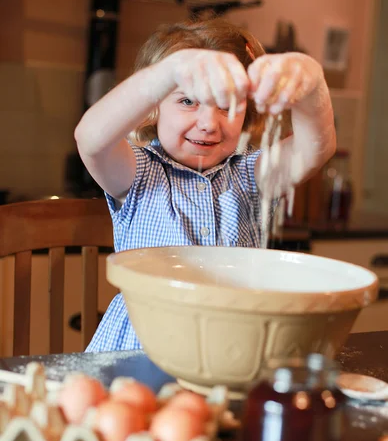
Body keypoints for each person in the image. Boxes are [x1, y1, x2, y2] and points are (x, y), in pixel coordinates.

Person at [74, 18, 336, 352]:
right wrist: (169, 72)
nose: (209, 123)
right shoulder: (138, 172)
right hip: (144, 345)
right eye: (187, 101)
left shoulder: (251, 177)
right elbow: (90, 139)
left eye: (227, 105)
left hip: (232, 343)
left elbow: (316, 148)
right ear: (153, 107)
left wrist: (312, 83)